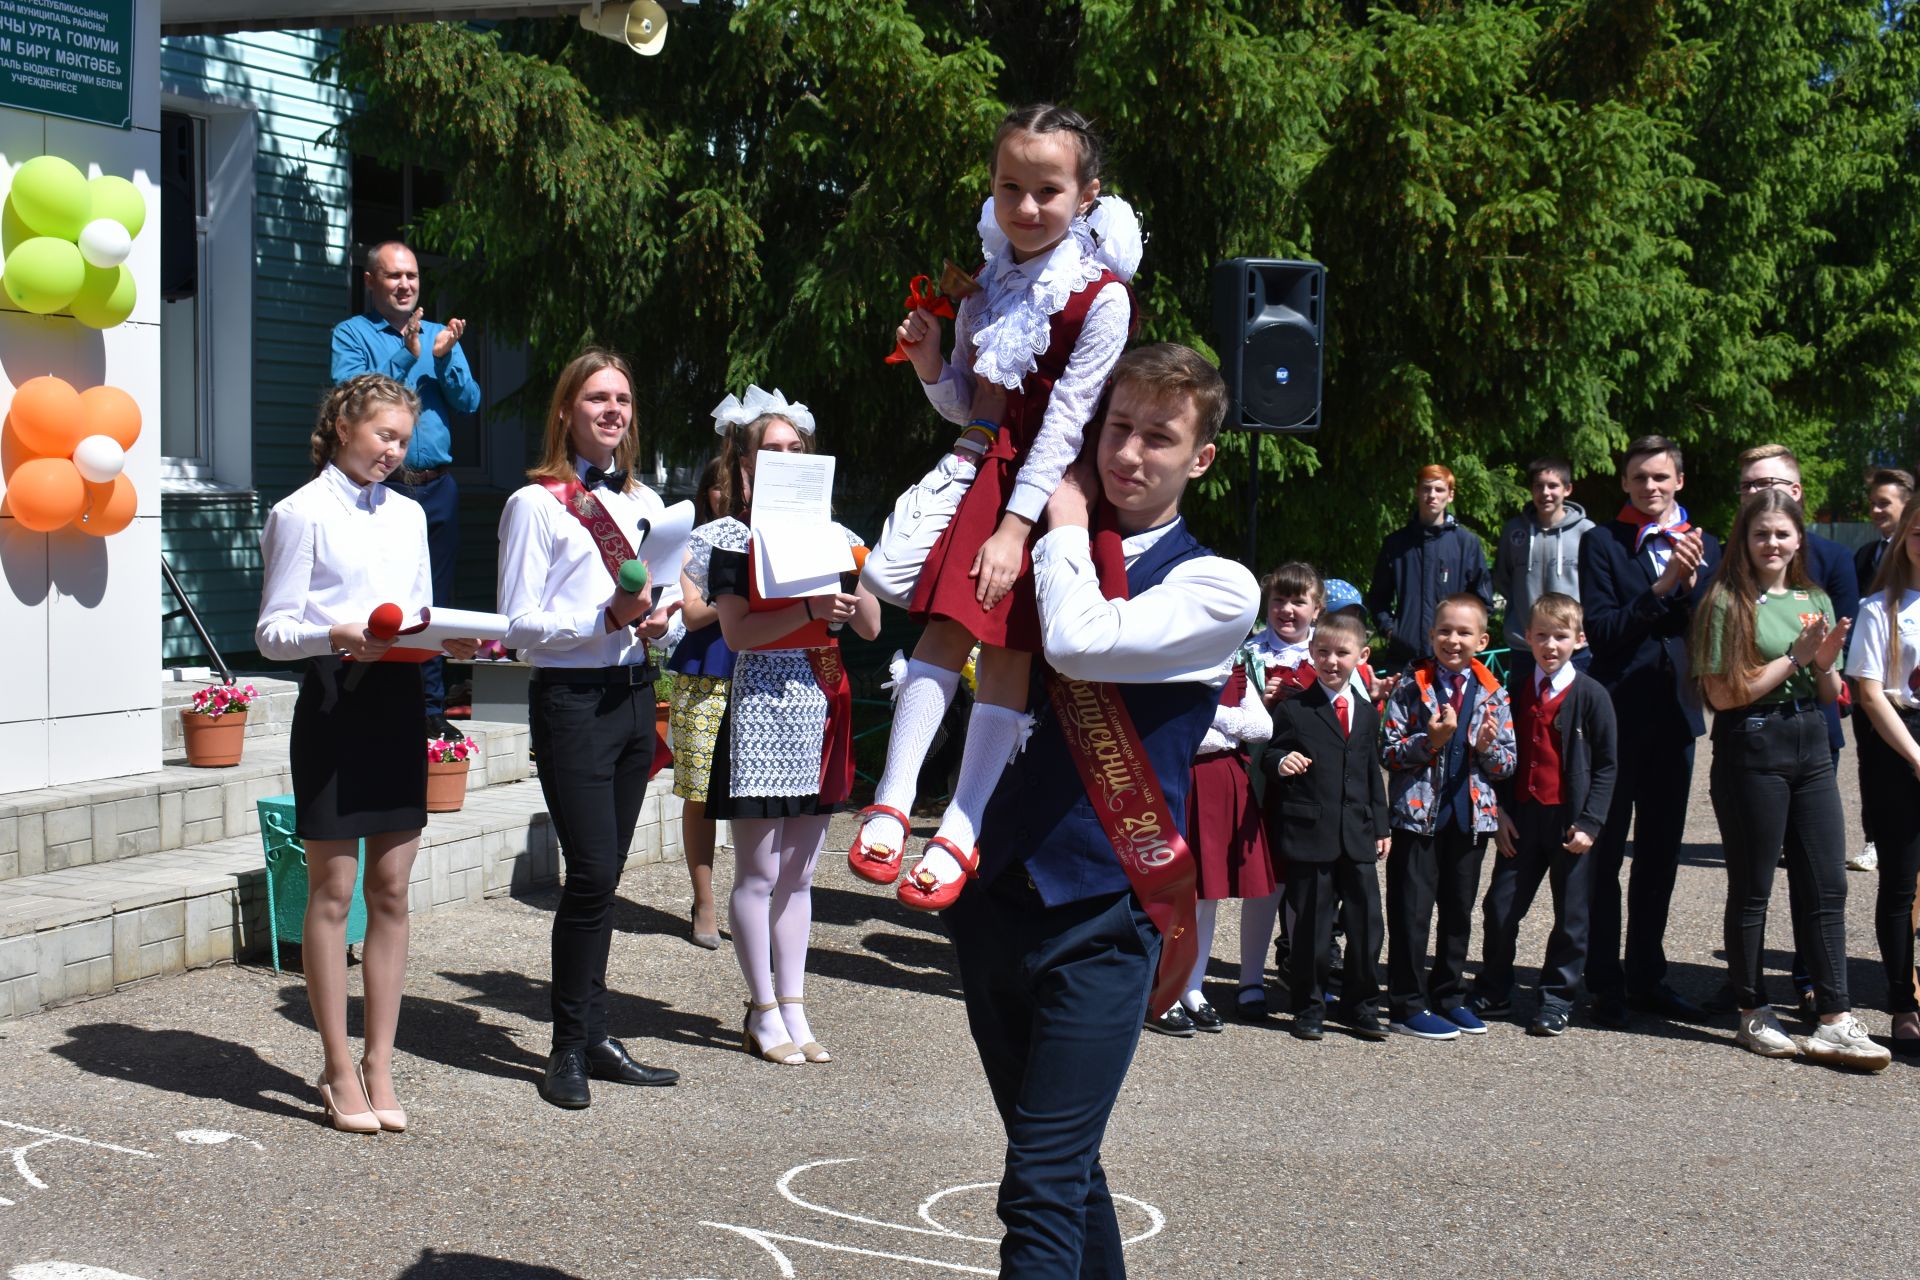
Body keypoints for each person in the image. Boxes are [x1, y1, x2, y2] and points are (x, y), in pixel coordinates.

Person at [945, 344, 1259, 1277]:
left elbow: (1083, 643)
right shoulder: (1032, 541)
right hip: (996, 897)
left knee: (1035, 1187)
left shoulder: (1219, 584)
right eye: (1116, 429)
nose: (1128, 454)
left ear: (1199, 458)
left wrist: (1064, 516)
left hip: (1106, 914)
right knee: (1065, 1171)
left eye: (1158, 438)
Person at [851, 103, 1144, 912]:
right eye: (1010, 186)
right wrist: (928, 361)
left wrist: (1017, 529)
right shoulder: (987, 286)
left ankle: (962, 824)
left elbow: (1065, 422)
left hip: (1051, 486)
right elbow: (971, 409)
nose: (1025, 206)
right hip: (986, 469)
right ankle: (895, 794)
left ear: (1087, 195)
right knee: (946, 627)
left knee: (1009, 650)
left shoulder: (1101, 299)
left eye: (1047, 190)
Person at [255, 374, 478, 1132]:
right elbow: (272, 632)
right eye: (383, 434)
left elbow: (416, 610)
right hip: (332, 698)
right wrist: (334, 635)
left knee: (390, 888)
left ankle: (380, 1060)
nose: (393, 451)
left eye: (403, 440)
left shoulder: (411, 515)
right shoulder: (300, 513)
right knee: (333, 890)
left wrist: (450, 637)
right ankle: (335, 1064)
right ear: (343, 424)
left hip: (395, 703)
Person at [497, 348, 682, 1109]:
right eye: (598, 398)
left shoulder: (647, 501)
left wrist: (658, 625)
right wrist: (603, 617)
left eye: (623, 399)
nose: (613, 410)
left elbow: (653, 618)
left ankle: (597, 1035)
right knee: (592, 876)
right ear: (568, 409)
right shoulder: (536, 503)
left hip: (636, 697)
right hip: (572, 704)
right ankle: (567, 1047)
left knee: (606, 881)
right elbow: (518, 628)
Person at [686, 397, 881, 1066]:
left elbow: (872, 626)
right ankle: (761, 1008)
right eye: (773, 451)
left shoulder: (833, 533)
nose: (787, 461)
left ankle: (795, 1006)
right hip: (761, 708)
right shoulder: (734, 538)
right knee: (761, 870)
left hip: (821, 703)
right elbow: (738, 634)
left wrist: (852, 576)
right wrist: (804, 606)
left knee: (800, 875)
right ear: (745, 465)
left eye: (797, 450)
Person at [1691, 489, 1888, 1070]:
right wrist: (1797, 658)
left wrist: (1824, 663)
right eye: (1760, 534)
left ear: (1798, 539)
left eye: (1781, 533)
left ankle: (1834, 1018)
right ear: (1744, 542)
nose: (1771, 543)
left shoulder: (1815, 598)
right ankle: (1753, 1010)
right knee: (1753, 887)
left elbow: (1829, 693)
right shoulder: (1725, 601)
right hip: (1751, 743)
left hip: (1810, 741)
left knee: (1828, 884)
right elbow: (1723, 694)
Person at [1576, 435, 1720, 1028]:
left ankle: (1647, 976)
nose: (1651, 488)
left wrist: (1690, 589)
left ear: (1679, 481)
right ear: (1626, 484)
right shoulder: (1602, 543)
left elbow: (1713, 625)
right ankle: (1603, 980)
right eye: (1640, 478)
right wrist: (1661, 589)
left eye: (1661, 478)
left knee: (1659, 855)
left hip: (1676, 714)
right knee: (1605, 854)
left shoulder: (1706, 543)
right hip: (1619, 715)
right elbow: (1604, 632)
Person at [331, 241, 483, 740]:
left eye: (412, 277)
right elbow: (352, 400)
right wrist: (405, 354)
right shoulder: (352, 334)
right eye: (393, 276)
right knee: (377, 594)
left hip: (436, 488)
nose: (405, 285)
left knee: (432, 597)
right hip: (380, 488)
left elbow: (469, 399)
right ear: (371, 282)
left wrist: (444, 358)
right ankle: (373, 698)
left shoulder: (441, 335)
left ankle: (430, 709)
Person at [1468, 593, 1617, 1037]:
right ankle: (1495, 987)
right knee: (1499, 907)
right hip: (1522, 818)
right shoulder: (1512, 689)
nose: (1551, 646)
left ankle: (1556, 998)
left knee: (1571, 918)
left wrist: (1591, 823)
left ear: (1579, 639)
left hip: (1570, 824)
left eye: (1561, 636)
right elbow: (1497, 756)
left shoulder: (1592, 695)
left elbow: (1608, 765)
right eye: (1542, 636)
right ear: (1527, 638)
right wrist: (1500, 812)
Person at [1379, 593, 1516, 1040]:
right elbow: (1389, 751)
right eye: (1444, 631)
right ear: (1431, 634)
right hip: (1417, 820)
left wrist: (1486, 747)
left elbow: (1506, 764)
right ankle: (1406, 1003)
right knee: (1411, 913)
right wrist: (1431, 741)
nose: (1453, 640)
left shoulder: (1495, 691)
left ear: (1482, 639)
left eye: (1463, 633)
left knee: (1458, 912)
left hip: (1469, 819)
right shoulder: (1410, 683)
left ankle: (1449, 995)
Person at [1265, 612, 1391, 1043]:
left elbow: (1371, 772)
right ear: (1311, 653)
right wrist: (1282, 762)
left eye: (1342, 652)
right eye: (1322, 651)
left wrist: (1382, 824)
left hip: (1357, 834)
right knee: (1314, 931)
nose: (1331, 661)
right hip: (1312, 835)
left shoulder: (1368, 713)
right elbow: (1271, 753)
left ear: (1362, 655)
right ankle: (1309, 1006)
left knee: (1367, 925)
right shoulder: (1296, 709)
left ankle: (1361, 1006)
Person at [1145, 618, 1272, 1038]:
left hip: (1221, 786)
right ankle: (1163, 986)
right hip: (1183, 782)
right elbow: (1179, 734)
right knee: (1178, 891)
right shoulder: (1175, 666)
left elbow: (1261, 727)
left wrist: (1212, 717)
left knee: (1209, 895)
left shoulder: (1234, 667)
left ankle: (1193, 987)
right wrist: (1225, 727)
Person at [1234, 561, 1326, 1018]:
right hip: (1262, 784)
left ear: (1317, 608)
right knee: (1262, 885)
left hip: (1313, 789)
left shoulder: (1329, 655)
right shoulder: (1248, 653)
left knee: (1304, 885)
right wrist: (1264, 703)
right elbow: (1232, 718)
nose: (1287, 610)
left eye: (1298, 602)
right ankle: (1250, 979)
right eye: (1279, 600)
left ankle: (1300, 974)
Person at [1845, 500, 1920, 1054]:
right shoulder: (1880, 608)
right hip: (1901, 743)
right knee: (1899, 883)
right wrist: (1917, 757)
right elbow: (1869, 693)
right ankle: (1902, 1004)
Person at [667, 453, 733, 950]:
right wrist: (738, 597)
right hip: (706, 671)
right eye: (718, 485)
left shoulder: (769, 537)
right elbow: (690, 614)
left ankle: (756, 901)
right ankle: (704, 900)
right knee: (701, 794)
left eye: (738, 484)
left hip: (763, 670)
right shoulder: (699, 540)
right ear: (705, 492)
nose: (728, 494)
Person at [1848, 467, 1912, 873]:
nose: (1875, 510)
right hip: (1873, 683)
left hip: (1910, 687)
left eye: (1883, 503)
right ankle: (1875, 838)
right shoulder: (1866, 555)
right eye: (1872, 503)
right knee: (1872, 766)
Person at [1365, 464, 1493, 669]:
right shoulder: (1396, 544)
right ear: (1417, 492)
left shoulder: (1466, 544)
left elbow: (1482, 600)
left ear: (1450, 495)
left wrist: (1466, 636)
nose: (1432, 495)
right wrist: (1391, 631)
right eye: (1426, 488)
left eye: (1439, 489)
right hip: (1405, 656)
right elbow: (1378, 597)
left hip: (1453, 655)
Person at [1491, 458, 1593, 680]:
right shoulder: (1514, 531)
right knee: (1525, 713)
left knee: (1571, 713)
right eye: (1539, 486)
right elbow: (1503, 579)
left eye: (1553, 486)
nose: (1545, 492)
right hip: (1525, 647)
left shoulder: (1586, 532)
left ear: (1567, 489)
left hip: (1572, 649)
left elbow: (1593, 586)